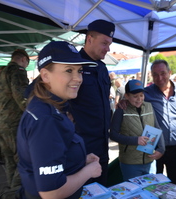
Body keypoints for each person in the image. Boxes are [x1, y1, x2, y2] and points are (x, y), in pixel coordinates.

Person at [17, 41, 102, 199]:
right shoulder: (46, 119)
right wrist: (89, 171)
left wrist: (80, 160)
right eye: (69, 70)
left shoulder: (47, 106)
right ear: (45, 76)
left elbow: (47, 157)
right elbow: (51, 192)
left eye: (80, 71)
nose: (78, 79)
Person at [69, 19, 115, 186]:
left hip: (102, 145)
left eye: (109, 44)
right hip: (81, 147)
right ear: (89, 39)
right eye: (104, 43)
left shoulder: (102, 68)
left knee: (101, 189)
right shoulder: (73, 63)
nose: (108, 48)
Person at [145, 60, 176, 186]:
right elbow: (132, 100)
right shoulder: (146, 93)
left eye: (163, 73)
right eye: (155, 74)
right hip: (155, 146)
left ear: (170, 73)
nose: (159, 78)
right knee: (154, 184)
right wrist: (123, 101)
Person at [110, 79, 165, 181]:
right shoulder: (121, 110)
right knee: (135, 194)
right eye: (135, 96)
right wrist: (135, 140)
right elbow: (113, 134)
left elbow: (157, 128)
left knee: (150, 191)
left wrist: (161, 149)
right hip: (130, 163)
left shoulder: (149, 106)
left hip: (150, 159)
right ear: (126, 96)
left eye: (141, 95)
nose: (139, 99)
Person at [0, 49, 29, 190]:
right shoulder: (17, 71)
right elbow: (22, 97)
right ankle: (18, 192)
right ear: (24, 59)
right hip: (14, 124)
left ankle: (12, 191)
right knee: (23, 160)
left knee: (9, 161)